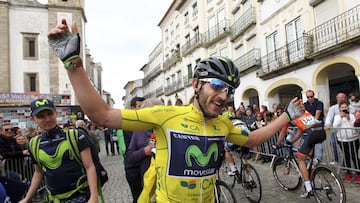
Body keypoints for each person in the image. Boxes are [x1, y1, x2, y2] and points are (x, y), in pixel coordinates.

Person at [47, 19, 303, 202]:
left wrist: (287, 116)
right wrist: (73, 64)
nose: (224, 96)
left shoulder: (223, 124)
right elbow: (101, 115)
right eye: (217, 86)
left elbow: (255, 138)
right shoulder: (165, 115)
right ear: (196, 84)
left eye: (229, 90)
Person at [19, 98, 98, 203]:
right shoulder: (33, 144)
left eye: (49, 114)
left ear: (55, 113)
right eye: (41, 116)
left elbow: (89, 166)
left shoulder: (75, 136)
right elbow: (38, 173)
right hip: (54, 199)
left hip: (80, 196)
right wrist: (27, 198)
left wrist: (94, 196)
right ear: (33, 119)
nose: (47, 119)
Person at [274, 101, 326, 198]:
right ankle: (312, 170)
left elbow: (283, 132)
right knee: (309, 157)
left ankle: (309, 188)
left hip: (310, 134)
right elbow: (302, 130)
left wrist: (277, 144)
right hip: (321, 131)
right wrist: (293, 141)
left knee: (300, 158)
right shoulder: (304, 112)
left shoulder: (288, 116)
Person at [126, 98, 163, 202]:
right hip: (148, 182)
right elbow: (130, 155)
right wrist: (144, 151)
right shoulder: (139, 131)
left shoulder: (169, 129)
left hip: (167, 183)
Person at [332, 101, 359, 183]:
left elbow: (354, 126)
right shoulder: (337, 117)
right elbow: (335, 126)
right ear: (340, 108)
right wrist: (341, 117)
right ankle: (348, 173)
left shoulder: (352, 116)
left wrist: (348, 119)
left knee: (355, 157)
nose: (344, 109)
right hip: (342, 140)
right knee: (346, 156)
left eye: (345, 107)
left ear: (348, 107)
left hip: (354, 139)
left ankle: (358, 174)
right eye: (342, 107)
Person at [325, 92, 355, 165]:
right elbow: (329, 117)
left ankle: (346, 163)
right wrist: (328, 124)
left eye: (342, 97)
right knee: (333, 143)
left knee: (351, 150)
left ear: (345, 98)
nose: (341, 99)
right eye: (339, 98)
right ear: (337, 99)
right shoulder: (333, 108)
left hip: (349, 132)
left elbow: (354, 118)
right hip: (336, 130)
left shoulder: (350, 107)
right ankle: (336, 160)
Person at [304, 90, 325, 163]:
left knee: (318, 141)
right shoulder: (305, 104)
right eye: (308, 97)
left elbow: (318, 113)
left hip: (317, 125)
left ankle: (318, 159)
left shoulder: (319, 103)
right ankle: (310, 157)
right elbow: (304, 114)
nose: (309, 98)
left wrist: (314, 122)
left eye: (311, 96)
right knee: (309, 141)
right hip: (309, 126)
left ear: (314, 96)